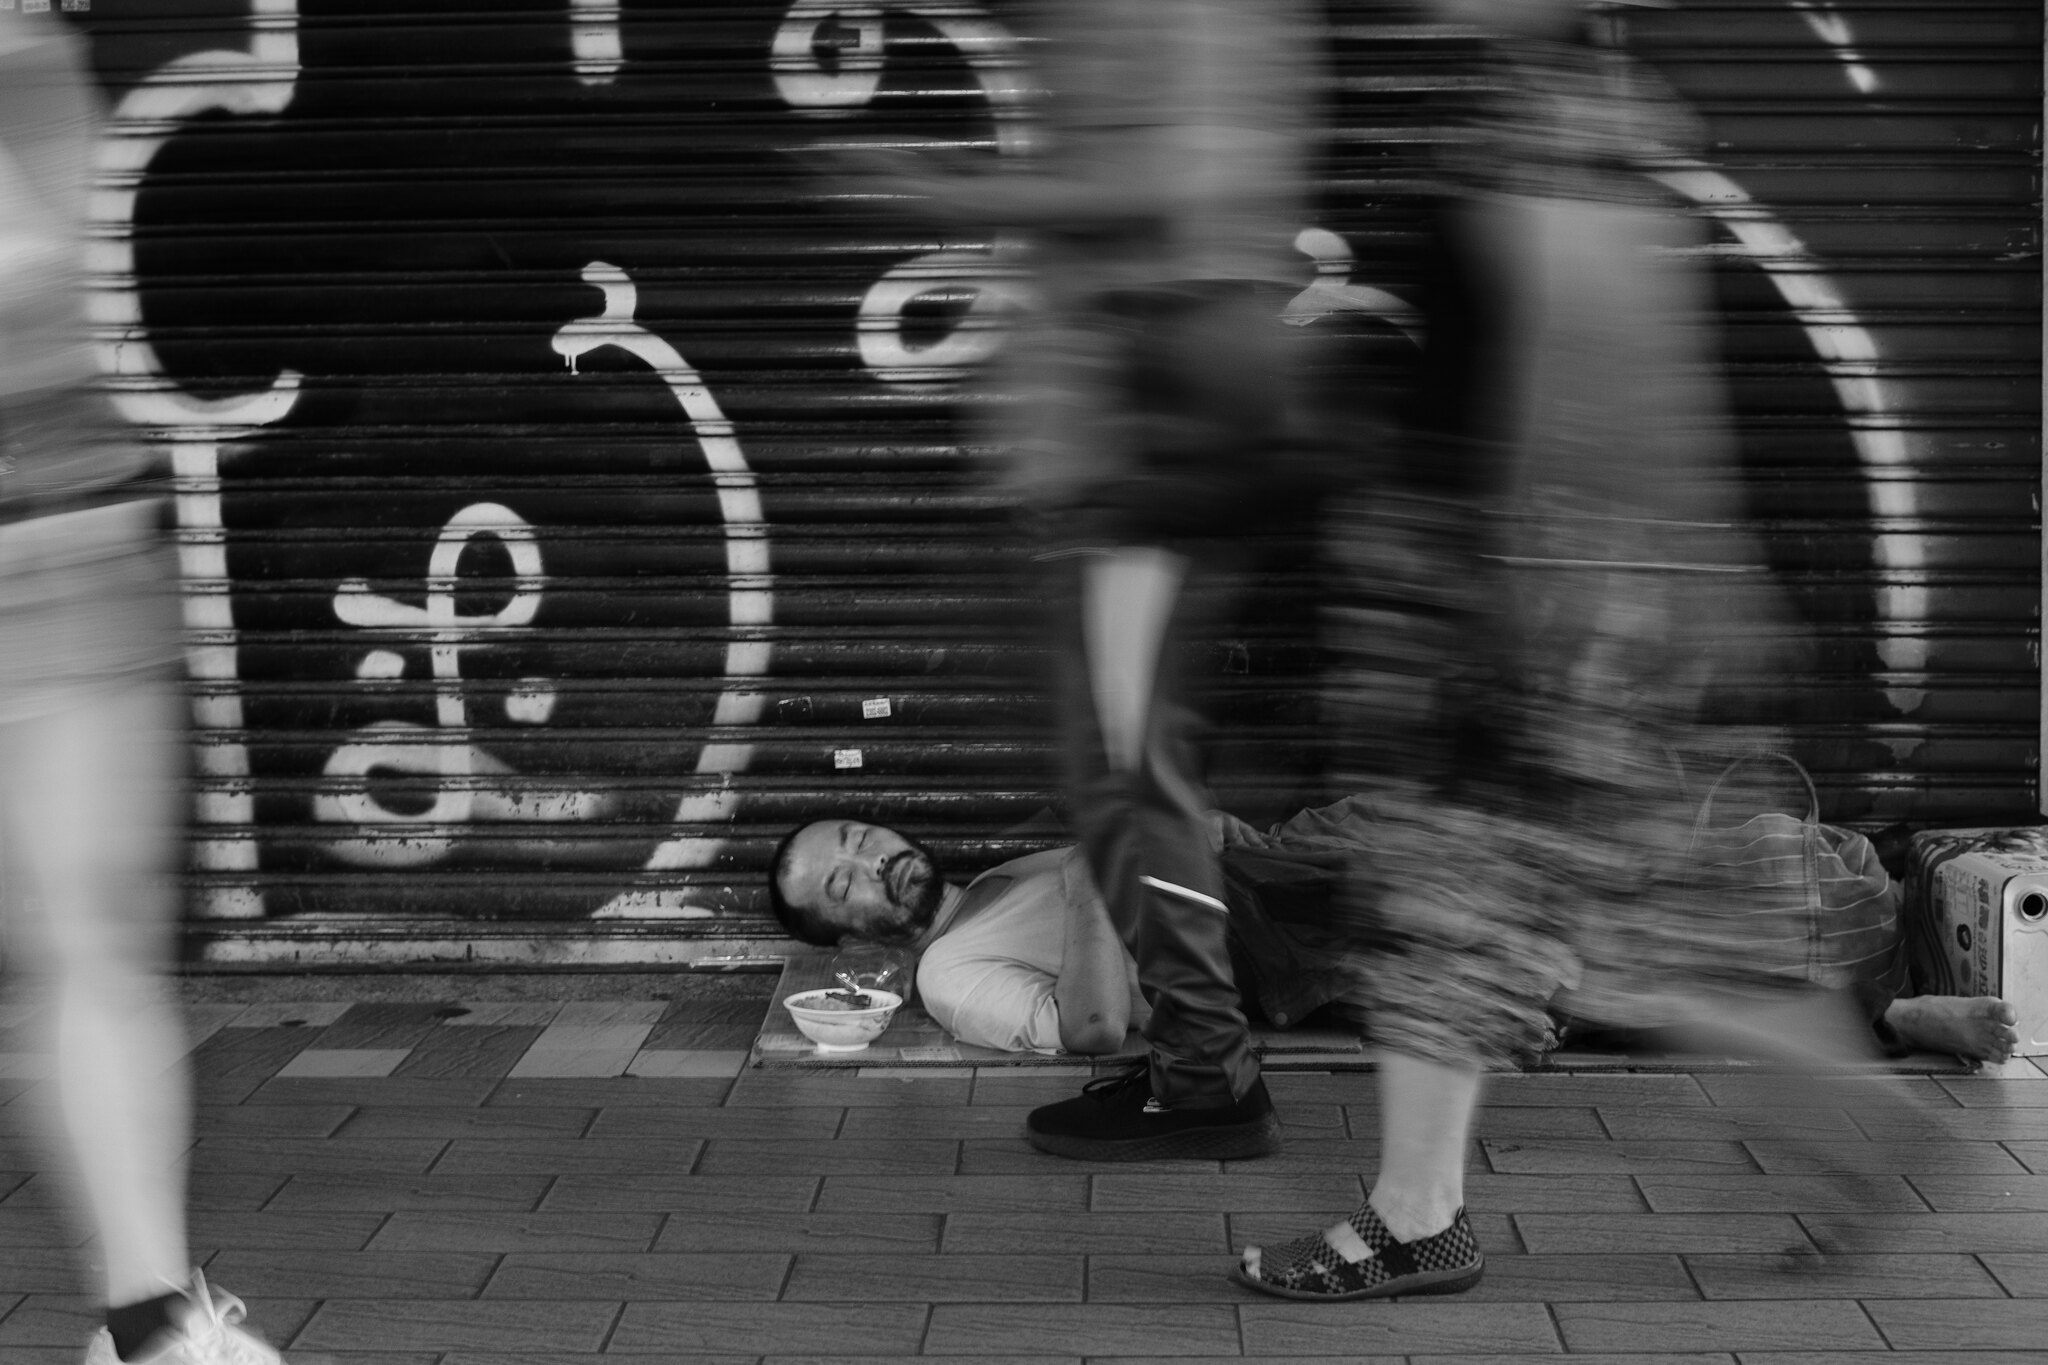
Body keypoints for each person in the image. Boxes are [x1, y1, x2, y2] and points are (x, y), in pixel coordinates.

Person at [824, 0, 1322, 1161]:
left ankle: (1204, 1078)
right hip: (1120, 432)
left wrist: (956, 192)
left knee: (1124, 772)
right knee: (1117, 773)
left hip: (1149, 430)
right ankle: (1197, 1069)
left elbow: (1183, 184)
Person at [1, 11, 287, 1363]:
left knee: (93, 937)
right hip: (58, 529)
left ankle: (153, 1325)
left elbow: (47, 268)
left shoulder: (28, 45)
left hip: (55, 526)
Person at [768, 809, 2021, 1064]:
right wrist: (1114, 860)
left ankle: (1878, 931)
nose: (867, 859)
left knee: (1563, 867)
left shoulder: (997, 868)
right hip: (1269, 940)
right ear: (845, 936)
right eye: (839, 883)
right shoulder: (944, 973)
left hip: (1278, 857)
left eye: (854, 834)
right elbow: (1095, 1028)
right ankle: (1881, 1020)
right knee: (1544, 961)